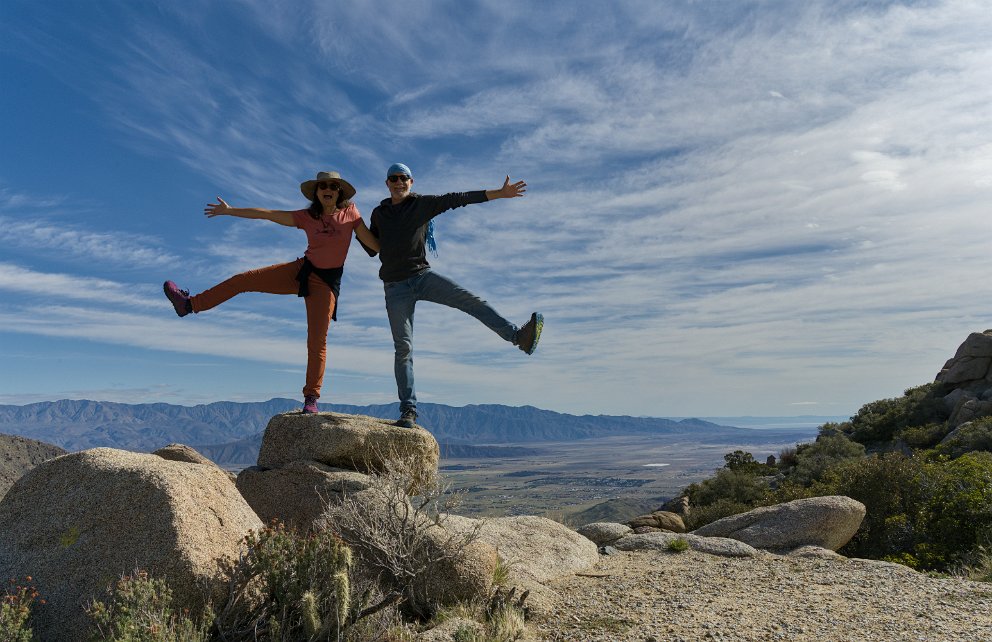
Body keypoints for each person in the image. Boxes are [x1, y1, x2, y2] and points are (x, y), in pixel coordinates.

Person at [162, 171, 379, 414]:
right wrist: (230, 210)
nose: (327, 189)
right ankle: (189, 305)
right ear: (317, 192)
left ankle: (311, 398)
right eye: (322, 186)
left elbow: (375, 245)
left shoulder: (351, 214)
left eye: (333, 186)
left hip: (326, 284)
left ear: (339, 192)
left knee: (317, 341)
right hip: (301, 271)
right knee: (243, 280)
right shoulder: (307, 216)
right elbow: (267, 214)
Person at [369, 162, 543, 428]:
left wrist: (499, 193)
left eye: (404, 178)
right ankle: (408, 411)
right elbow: (373, 247)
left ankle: (518, 337)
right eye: (393, 178)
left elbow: (458, 199)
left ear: (411, 182)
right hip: (395, 287)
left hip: (422, 277)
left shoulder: (422, 205)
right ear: (387, 183)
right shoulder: (378, 214)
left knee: (471, 301)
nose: (398, 182)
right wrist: (349, 221)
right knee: (403, 348)